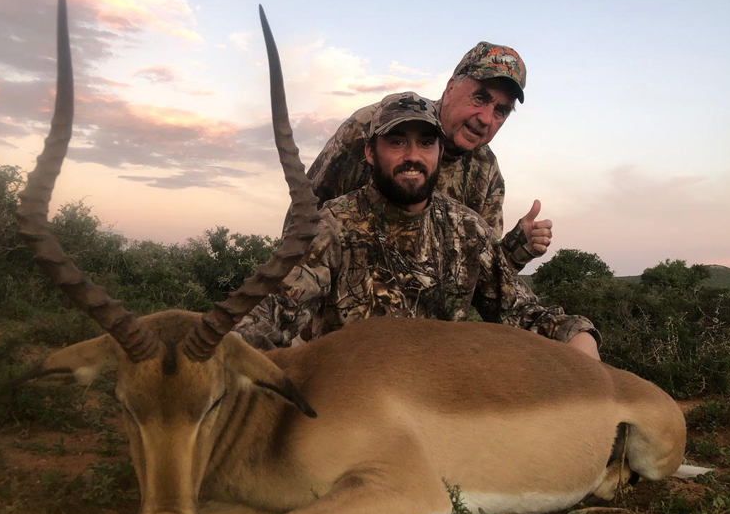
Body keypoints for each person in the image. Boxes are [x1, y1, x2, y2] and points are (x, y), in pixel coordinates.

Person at [237, 92, 600, 360]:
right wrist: (231, 344)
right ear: (370, 152)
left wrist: (578, 335)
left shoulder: (467, 230)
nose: (413, 156)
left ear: (440, 153)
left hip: (438, 401)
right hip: (348, 401)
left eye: (426, 143)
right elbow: (275, 310)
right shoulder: (332, 225)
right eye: (397, 142)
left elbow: (523, 313)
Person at [305, 41, 549, 272]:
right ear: (450, 88)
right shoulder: (372, 127)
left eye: (501, 111)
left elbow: (482, 277)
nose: (486, 118)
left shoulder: (487, 173)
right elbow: (305, 221)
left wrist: (517, 250)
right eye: (479, 98)